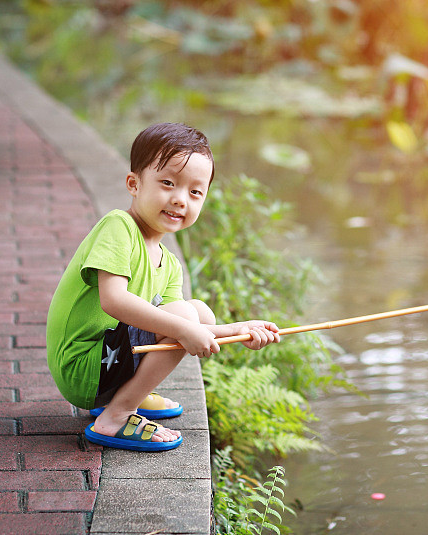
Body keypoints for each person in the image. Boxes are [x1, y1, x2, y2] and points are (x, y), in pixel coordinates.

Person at [46, 122, 280, 451]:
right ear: (134, 184)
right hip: (82, 368)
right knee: (186, 315)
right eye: (168, 183)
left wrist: (239, 331)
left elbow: (176, 330)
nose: (180, 199)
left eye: (194, 192)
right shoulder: (119, 227)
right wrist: (187, 329)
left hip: (109, 363)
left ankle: (129, 394)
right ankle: (117, 413)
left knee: (200, 313)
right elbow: (113, 301)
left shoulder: (169, 263)